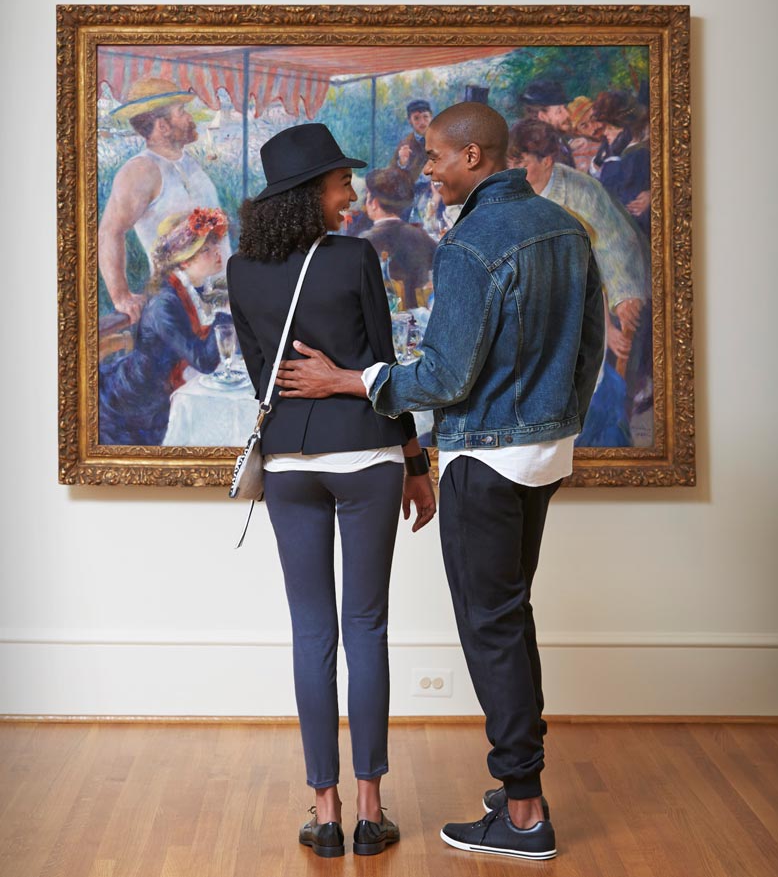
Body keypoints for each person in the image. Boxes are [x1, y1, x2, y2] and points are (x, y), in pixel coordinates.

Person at [275, 103, 605, 861]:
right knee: (510, 619)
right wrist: (557, 421)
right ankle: (522, 787)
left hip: (485, 463)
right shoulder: (562, 227)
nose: (425, 168)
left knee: (491, 631)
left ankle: (523, 814)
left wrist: (349, 380)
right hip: (544, 458)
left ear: (475, 157)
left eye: (435, 157)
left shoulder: (469, 245)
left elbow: (446, 376)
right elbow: (588, 348)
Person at [226, 124, 437, 859]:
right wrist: (415, 461)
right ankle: (372, 809)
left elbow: (262, 376)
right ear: (310, 192)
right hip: (366, 456)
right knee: (366, 626)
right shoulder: (353, 258)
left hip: (289, 463)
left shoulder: (241, 268)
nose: (350, 193)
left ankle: (324, 810)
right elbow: (383, 363)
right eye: (340, 182)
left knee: (313, 632)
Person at [507, 119, 652, 446]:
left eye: (521, 165)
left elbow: (616, 244)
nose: (513, 173)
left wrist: (624, 295)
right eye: (509, 165)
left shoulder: (581, 192)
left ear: (547, 161)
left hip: (588, 300)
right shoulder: (510, 192)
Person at [98, 77, 231, 323]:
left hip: (222, 300)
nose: (190, 118)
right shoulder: (141, 170)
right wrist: (121, 296)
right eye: (181, 112)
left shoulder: (188, 162)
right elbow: (109, 232)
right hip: (181, 308)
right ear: (162, 126)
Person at [98, 207, 230, 445]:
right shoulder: (164, 303)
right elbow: (203, 360)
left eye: (216, 245)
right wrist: (225, 312)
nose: (218, 253)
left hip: (162, 394)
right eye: (207, 250)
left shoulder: (193, 290)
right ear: (185, 260)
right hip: (132, 407)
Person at [360, 168, 437, 308]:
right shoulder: (422, 236)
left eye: (367, 195)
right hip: (419, 318)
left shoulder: (365, 243)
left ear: (374, 203)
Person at [591, 90, 652, 238]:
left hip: (635, 234)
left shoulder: (637, 156)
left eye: (611, 128)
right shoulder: (614, 151)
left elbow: (612, 194)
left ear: (626, 129)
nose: (605, 133)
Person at [519, 80, 575, 167]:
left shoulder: (559, 141)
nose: (567, 114)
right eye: (559, 111)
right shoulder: (539, 151)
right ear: (542, 116)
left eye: (565, 108)